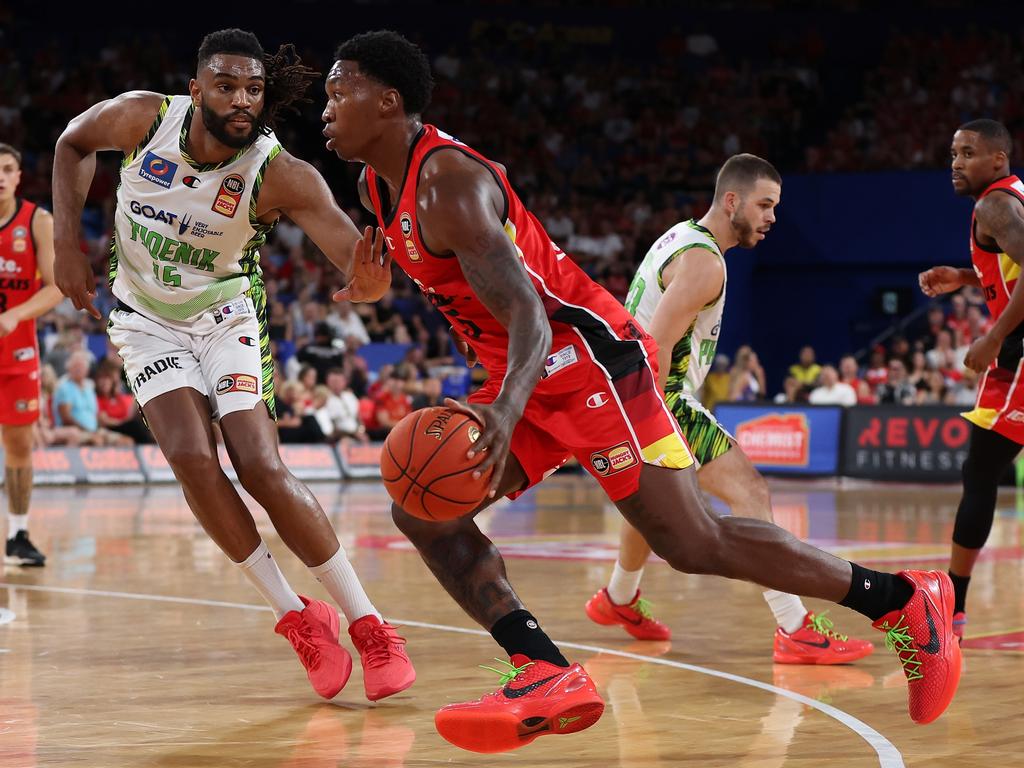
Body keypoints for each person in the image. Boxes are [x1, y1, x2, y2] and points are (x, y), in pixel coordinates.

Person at [324, 30, 961, 751]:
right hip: (521, 375)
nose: (326, 107)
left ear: (388, 101)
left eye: (339, 91)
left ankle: (905, 601)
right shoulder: (378, 184)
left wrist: (503, 405)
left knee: (691, 540)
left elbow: (530, 312)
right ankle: (542, 668)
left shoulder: (450, 184)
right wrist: (381, 289)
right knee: (425, 509)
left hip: (588, 363)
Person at [52, 28, 414, 702]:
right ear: (196, 90)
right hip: (142, 318)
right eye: (227, 85)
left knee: (261, 465)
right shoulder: (143, 117)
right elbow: (71, 142)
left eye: (253, 87)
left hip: (225, 317)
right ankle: (297, 616)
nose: (243, 98)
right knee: (191, 458)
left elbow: (353, 259)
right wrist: (66, 245)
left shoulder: (279, 172)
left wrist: (369, 284)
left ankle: (370, 623)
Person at [586, 156, 871, 666]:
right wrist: (654, 423)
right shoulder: (705, 262)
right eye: (765, 205)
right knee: (751, 492)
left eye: (776, 207)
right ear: (732, 201)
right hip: (659, 395)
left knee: (651, 503)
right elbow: (656, 344)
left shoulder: (680, 236)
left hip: (630, 394)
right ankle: (796, 628)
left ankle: (617, 599)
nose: (772, 218)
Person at [919, 118, 1024, 642]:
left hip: (1019, 358)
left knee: (979, 473)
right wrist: (966, 276)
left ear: (998, 161)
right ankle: (953, 603)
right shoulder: (1009, 200)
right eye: (953, 153)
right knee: (979, 470)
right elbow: (1011, 263)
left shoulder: (995, 205)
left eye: (967, 153)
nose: (955, 162)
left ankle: (953, 607)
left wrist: (993, 339)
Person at [0, 143, 63, 566]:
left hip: (17, 350)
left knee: (19, 444)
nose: (0, 176)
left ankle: (17, 534)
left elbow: (58, 287)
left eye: (7, 169)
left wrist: (15, 315)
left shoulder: (37, 220)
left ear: (18, 176)